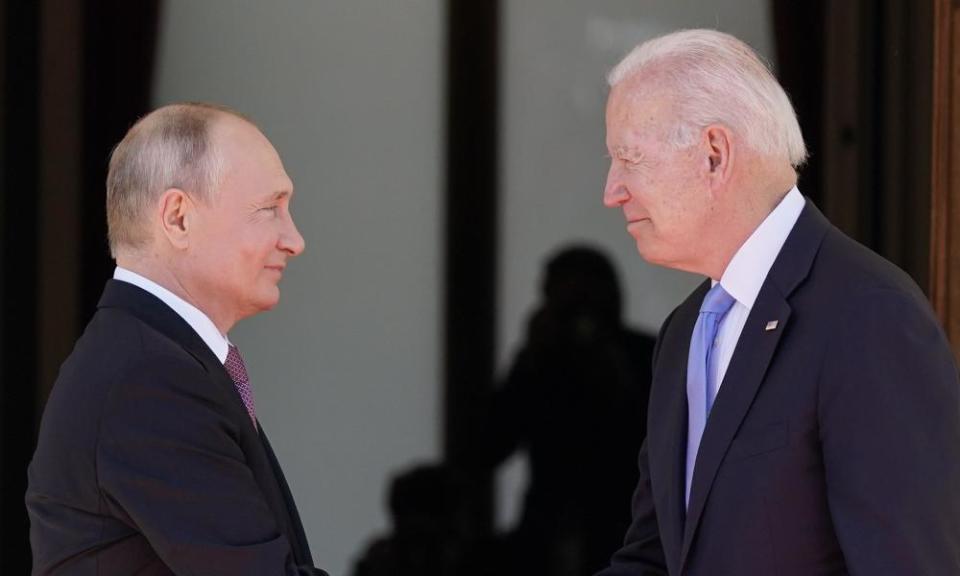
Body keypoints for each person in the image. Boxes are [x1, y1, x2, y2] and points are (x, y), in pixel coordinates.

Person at [596, 29, 960, 576]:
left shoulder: (868, 316)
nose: (612, 190)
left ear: (714, 155)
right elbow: (654, 558)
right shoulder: (685, 331)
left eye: (629, 158)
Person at [26, 103, 327, 575]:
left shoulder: (152, 358)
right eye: (269, 208)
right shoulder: (148, 377)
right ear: (179, 218)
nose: (294, 239)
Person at [476, 245, 655, 575]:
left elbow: (662, 442)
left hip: (625, 525)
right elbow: (486, 448)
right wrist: (531, 361)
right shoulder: (540, 362)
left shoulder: (644, 356)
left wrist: (616, 374)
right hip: (547, 529)